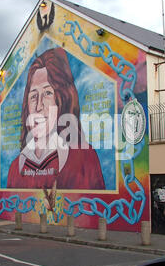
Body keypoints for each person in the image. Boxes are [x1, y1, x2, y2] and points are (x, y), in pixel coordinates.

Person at [7, 47, 105, 190]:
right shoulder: (16, 168)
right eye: (33, 96)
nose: (38, 106)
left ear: (62, 100)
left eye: (47, 93)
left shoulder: (85, 158)